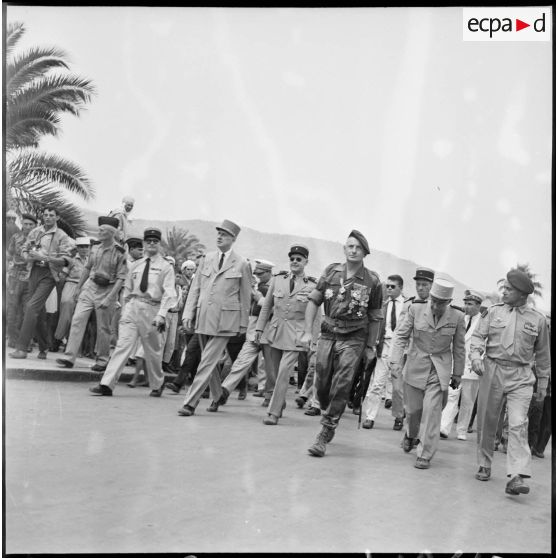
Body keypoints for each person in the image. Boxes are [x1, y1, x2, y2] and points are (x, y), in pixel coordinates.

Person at [302, 230, 383, 457]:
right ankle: (328, 407)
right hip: (328, 333)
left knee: (343, 381)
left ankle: (326, 432)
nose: (354, 250)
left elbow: (376, 316)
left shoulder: (373, 281)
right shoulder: (331, 272)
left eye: (358, 247)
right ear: (344, 249)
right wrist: (307, 332)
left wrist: (369, 347)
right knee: (322, 380)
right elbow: (314, 302)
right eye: (350, 246)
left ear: (365, 252)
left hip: (354, 337)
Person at [470, 268, 550, 496]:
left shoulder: (538, 320)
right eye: (503, 287)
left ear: (523, 294)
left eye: (509, 289)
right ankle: (485, 463)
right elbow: (477, 337)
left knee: (517, 424)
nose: (503, 292)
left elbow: (543, 355)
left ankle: (516, 475)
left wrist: (543, 384)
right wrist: (476, 356)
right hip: (492, 370)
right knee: (487, 420)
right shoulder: (493, 312)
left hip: (521, 376)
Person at [89, 227, 177, 396]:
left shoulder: (166, 267)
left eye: (155, 242)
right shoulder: (136, 265)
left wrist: (161, 315)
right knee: (122, 346)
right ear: (144, 243)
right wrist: (126, 307)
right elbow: (128, 288)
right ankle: (106, 384)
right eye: (148, 241)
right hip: (133, 307)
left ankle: (157, 384)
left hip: (152, 309)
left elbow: (169, 293)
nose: (151, 244)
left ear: (159, 244)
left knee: (152, 351)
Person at [177, 219, 252, 416]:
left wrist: (244, 324)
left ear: (233, 239)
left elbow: (245, 296)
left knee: (207, 360)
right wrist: (188, 313)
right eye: (218, 233)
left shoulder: (242, 264)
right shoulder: (206, 259)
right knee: (208, 361)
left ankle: (190, 402)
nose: (219, 236)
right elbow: (195, 288)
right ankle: (218, 396)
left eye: (225, 234)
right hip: (203, 317)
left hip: (226, 321)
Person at [389, 278, 466, 469]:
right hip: (416, 364)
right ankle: (411, 434)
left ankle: (425, 453)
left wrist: (457, 373)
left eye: (441, 303)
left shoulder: (457, 316)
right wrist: (396, 361)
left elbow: (459, 347)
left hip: (439, 369)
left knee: (432, 412)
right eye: (434, 301)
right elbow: (401, 336)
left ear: (448, 302)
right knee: (413, 411)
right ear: (430, 297)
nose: (436, 305)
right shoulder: (416, 309)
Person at [253, 246, 319, 425]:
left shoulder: (312, 285)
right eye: (292, 259)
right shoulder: (278, 280)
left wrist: (311, 336)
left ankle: (272, 413)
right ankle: (279, 403)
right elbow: (266, 306)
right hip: (274, 332)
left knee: (283, 373)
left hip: (296, 335)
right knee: (273, 373)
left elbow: (315, 315)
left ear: (306, 262)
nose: (295, 262)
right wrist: (259, 329)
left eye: (299, 259)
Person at [56, 217, 127, 371]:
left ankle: (102, 360)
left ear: (111, 233)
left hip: (108, 289)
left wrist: (110, 298)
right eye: (99, 229)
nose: (99, 232)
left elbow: (121, 278)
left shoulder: (120, 252)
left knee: (103, 327)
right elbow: (87, 268)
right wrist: (79, 287)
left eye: (103, 230)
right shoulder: (94, 247)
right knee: (77, 319)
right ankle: (69, 357)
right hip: (90, 287)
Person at [209, 260, 275, 408]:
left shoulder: (275, 287)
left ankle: (270, 397)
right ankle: (223, 392)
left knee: (270, 369)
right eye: (256, 274)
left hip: (269, 332)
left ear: (269, 272)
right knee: (239, 363)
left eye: (261, 274)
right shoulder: (257, 287)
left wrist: (260, 300)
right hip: (253, 331)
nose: (257, 277)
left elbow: (277, 310)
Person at [9, 206, 73, 359]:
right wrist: (27, 256)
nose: (48, 217)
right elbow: (25, 247)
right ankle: (44, 347)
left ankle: (22, 348)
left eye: (51, 215)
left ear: (57, 217)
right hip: (33, 272)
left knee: (31, 307)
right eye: (45, 215)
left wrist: (44, 258)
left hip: (49, 274)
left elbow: (67, 260)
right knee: (38, 311)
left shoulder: (61, 236)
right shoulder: (35, 231)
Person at [362, 274, 406, 430]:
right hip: (385, 345)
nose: (388, 289)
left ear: (401, 288)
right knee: (377, 384)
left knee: (398, 388)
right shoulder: (383, 305)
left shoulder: (408, 305)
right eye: (387, 286)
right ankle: (370, 417)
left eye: (392, 286)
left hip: (400, 348)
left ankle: (399, 416)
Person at [439, 290, 483, 440]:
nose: (466, 307)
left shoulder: (483, 322)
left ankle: (462, 430)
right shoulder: (460, 318)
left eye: (470, 304)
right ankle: (444, 427)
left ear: (478, 306)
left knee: (468, 401)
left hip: (472, 367)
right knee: (451, 395)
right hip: (457, 364)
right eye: (465, 303)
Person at [6, 213, 38, 348]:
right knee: (12, 310)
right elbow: (8, 255)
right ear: (22, 224)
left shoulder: (39, 240)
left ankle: (26, 342)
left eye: (31, 224)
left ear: (35, 226)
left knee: (27, 311)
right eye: (25, 224)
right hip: (14, 277)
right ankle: (13, 339)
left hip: (30, 278)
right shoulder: (16, 237)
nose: (28, 227)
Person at [53, 237, 90, 347]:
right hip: (71, 285)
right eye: (81, 247)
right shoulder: (71, 260)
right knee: (66, 310)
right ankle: (58, 338)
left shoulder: (91, 260)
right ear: (77, 248)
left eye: (86, 247)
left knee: (79, 316)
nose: (84, 249)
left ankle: (71, 343)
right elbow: (63, 276)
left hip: (85, 288)